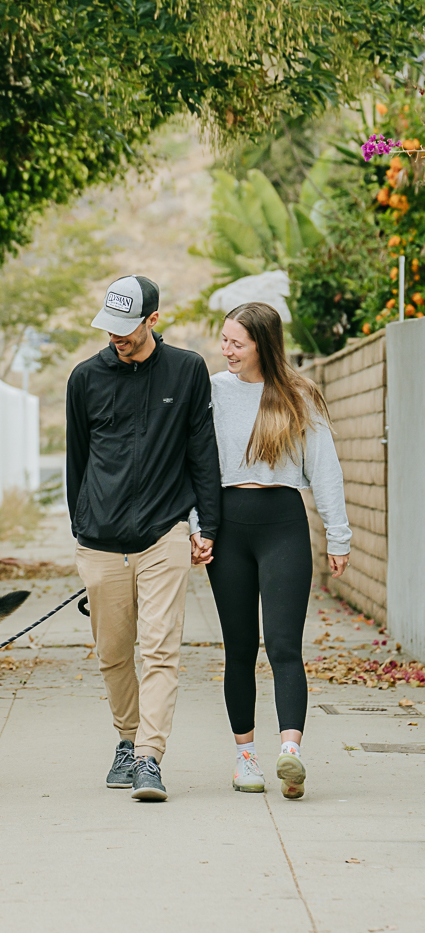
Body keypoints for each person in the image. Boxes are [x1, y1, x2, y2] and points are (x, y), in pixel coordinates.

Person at [66, 275, 221, 801]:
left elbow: (202, 452)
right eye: (110, 327)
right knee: (113, 653)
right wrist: (82, 533)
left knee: (159, 650)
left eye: (127, 327)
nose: (117, 337)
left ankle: (150, 758)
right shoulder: (85, 379)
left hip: (164, 533)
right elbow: (77, 463)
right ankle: (127, 739)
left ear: (153, 319)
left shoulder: (188, 369)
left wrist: (209, 526)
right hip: (101, 541)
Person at [190, 302, 351, 800]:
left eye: (237, 342)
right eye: (224, 340)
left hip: (283, 525)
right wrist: (199, 527)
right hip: (228, 529)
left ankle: (290, 754)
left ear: (263, 343)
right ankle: (245, 757)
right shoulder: (212, 392)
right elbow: (194, 466)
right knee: (239, 649)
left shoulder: (298, 396)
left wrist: (338, 536)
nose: (226, 350)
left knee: (284, 646)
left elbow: (325, 468)